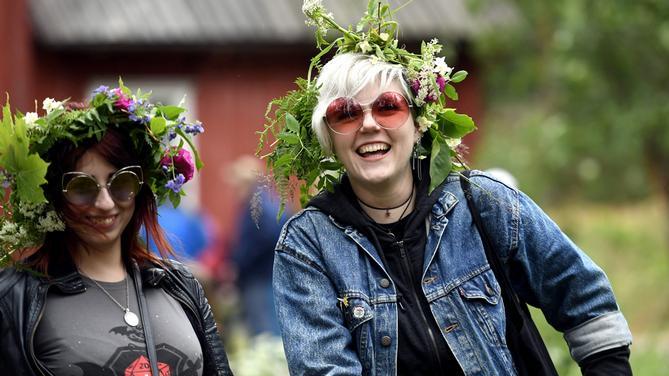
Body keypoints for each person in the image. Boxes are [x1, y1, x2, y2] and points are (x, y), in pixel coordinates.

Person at [258, 1, 632, 375]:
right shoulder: (309, 246)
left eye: (388, 107)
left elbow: (584, 297)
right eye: (347, 113)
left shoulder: (482, 203)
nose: (369, 124)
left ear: (418, 123)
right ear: (330, 139)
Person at [0, 84, 234, 375]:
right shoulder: (14, 297)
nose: (105, 202)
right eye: (82, 187)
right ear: (53, 196)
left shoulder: (179, 285)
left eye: (121, 182)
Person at [226, 155, 287, 337]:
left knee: (265, 333)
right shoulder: (270, 202)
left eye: (237, 183)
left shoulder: (258, 207)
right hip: (268, 277)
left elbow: (266, 237)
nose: (234, 188)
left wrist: (239, 264)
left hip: (261, 278)